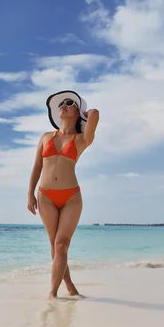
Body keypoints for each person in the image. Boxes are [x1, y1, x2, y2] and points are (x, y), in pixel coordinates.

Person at [26, 90, 99, 301]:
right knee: (54, 245)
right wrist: (30, 193)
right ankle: (69, 286)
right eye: (61, 104)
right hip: (45, 196)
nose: (63, 106)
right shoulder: (46, 136)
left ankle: (52, 294)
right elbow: (37, 166)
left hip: (71, 198)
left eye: (69, 103)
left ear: (78, 112)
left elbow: (95, 113)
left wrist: (84, 111)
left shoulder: (82, 139)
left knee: (61, 244)